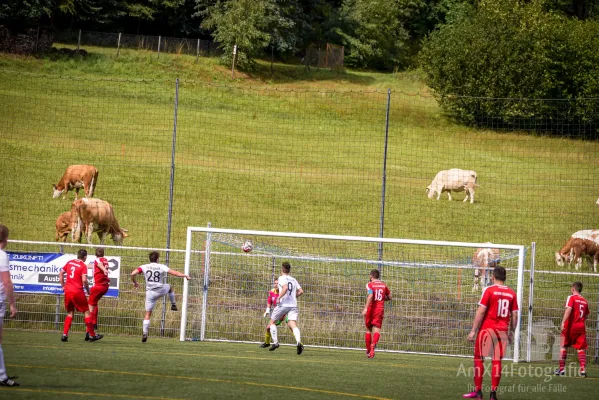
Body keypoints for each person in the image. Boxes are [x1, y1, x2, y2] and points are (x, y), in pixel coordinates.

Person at [463, 266, 518, 400]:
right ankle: (493, 394)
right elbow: (515, 315)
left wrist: (473, 331)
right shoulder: (512, 293)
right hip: (502, 331)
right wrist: (511, 332)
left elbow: (481, 311)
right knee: (497, 361)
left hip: (487, 330)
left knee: (478, 359)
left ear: (493, 277)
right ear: (505, 278)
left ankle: (478, 391)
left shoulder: (489, 290)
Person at [131, 251, 191, 342]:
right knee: (170, 287)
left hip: (150, 293)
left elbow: (133, 273)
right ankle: (173, 304)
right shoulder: (161, 266)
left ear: (149, 259)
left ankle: (144, 333)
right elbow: (174, 273)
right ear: (158, 259)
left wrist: (134, 282)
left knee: (147, 314)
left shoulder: (144, 267)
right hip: (160, 290)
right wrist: (184, 275)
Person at [59, 249, 103, 342]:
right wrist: (87, 291)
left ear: (77, 255)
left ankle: (64, 334)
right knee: (87, 312)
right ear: (85, 257)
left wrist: (63, 286)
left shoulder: (70, 262)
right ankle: (92, 335)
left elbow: (61, 273)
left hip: (68, 291)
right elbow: (84, 280)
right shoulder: (83, 265)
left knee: (70, 312)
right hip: (77, 291)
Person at [266, 261, 304, 354]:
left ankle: (275, 343)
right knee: (293, 324)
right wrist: (292, 297)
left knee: (272, 323)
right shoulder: (293, 279)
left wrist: (279, 297)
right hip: (293, 305)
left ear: (281, 270)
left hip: (283, 305)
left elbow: (285, 288)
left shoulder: (281, 278)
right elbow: (301, 291)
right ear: (289, 270)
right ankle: (298, 342)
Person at [555, 281, 589, 377]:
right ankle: (583, 370)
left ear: (573, 288)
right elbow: (586, 316)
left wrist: (563, 321)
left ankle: (561, 369)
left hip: (570, 326)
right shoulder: (585, 301)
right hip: (581, 327)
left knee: (563, 346)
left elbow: (568, 309)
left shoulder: (571, 297)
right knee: (580, 348)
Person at [0, 225, 19, 386]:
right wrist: (12, 304)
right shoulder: (2, 255)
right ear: (5, 240)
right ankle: (2, 376)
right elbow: (7, 282)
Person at [361, 269, 391, 358]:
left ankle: (368, 351)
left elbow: (370, 295)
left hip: (371, 309)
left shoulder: (369, 284)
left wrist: (366, 308)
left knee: (368, 330)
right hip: (379, 309)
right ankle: (373, 346)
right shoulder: (383, 285)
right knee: (377, 330)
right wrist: (381, 298)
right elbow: (389, 297)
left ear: (371, 276)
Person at [259, 278, 291, 348]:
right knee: (268, 328)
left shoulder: (283, 293)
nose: (276, 285)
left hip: (285, 313)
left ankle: (299, 343)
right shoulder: (272, 292)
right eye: (275, 283)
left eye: (277, 284)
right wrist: (267, 309)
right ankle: (267, 343)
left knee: (291, 326)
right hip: (277, 313)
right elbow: (269, 301)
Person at [87, 248, 110, 338]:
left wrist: (104, 269)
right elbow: (96, 266)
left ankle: (90, 332)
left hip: (98, 287)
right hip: (105, 286)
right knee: (94, 304)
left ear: (95, 254)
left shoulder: (97, 260)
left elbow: (99, 265)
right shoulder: (105, 260)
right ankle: (94, 325)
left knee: (89, 309)